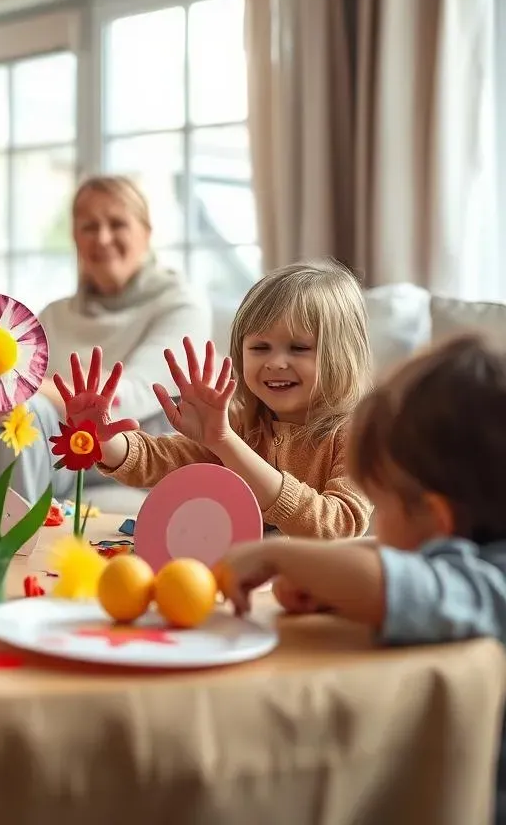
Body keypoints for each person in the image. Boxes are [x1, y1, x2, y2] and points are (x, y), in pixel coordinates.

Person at [215, 333, 506, 823]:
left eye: (383, 506)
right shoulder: (479, 553)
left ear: (436, 517)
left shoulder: (493, 585)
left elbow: (404, 583)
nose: (378, 524)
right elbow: (404, 562)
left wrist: (279, 555)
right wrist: (326, 575)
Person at [0, 175, 212, 506]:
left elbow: (124, 399)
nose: (103, 237)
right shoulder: (55, 313)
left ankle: (7, 543)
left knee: (22, 408)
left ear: (147, 232)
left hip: (115, 451)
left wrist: (16, 387)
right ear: (75, 237)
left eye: (117, 223)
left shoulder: (182, 305)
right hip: (47, 441)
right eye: (89, 227)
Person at [60, 259, 373, 537]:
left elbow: (338, 526)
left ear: (342, 355)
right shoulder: (240, 420)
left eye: (299, 348)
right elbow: (166, 460)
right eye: (260, 348)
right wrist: (104, 442)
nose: (276, 362)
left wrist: (226, 443)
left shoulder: (360, 435)